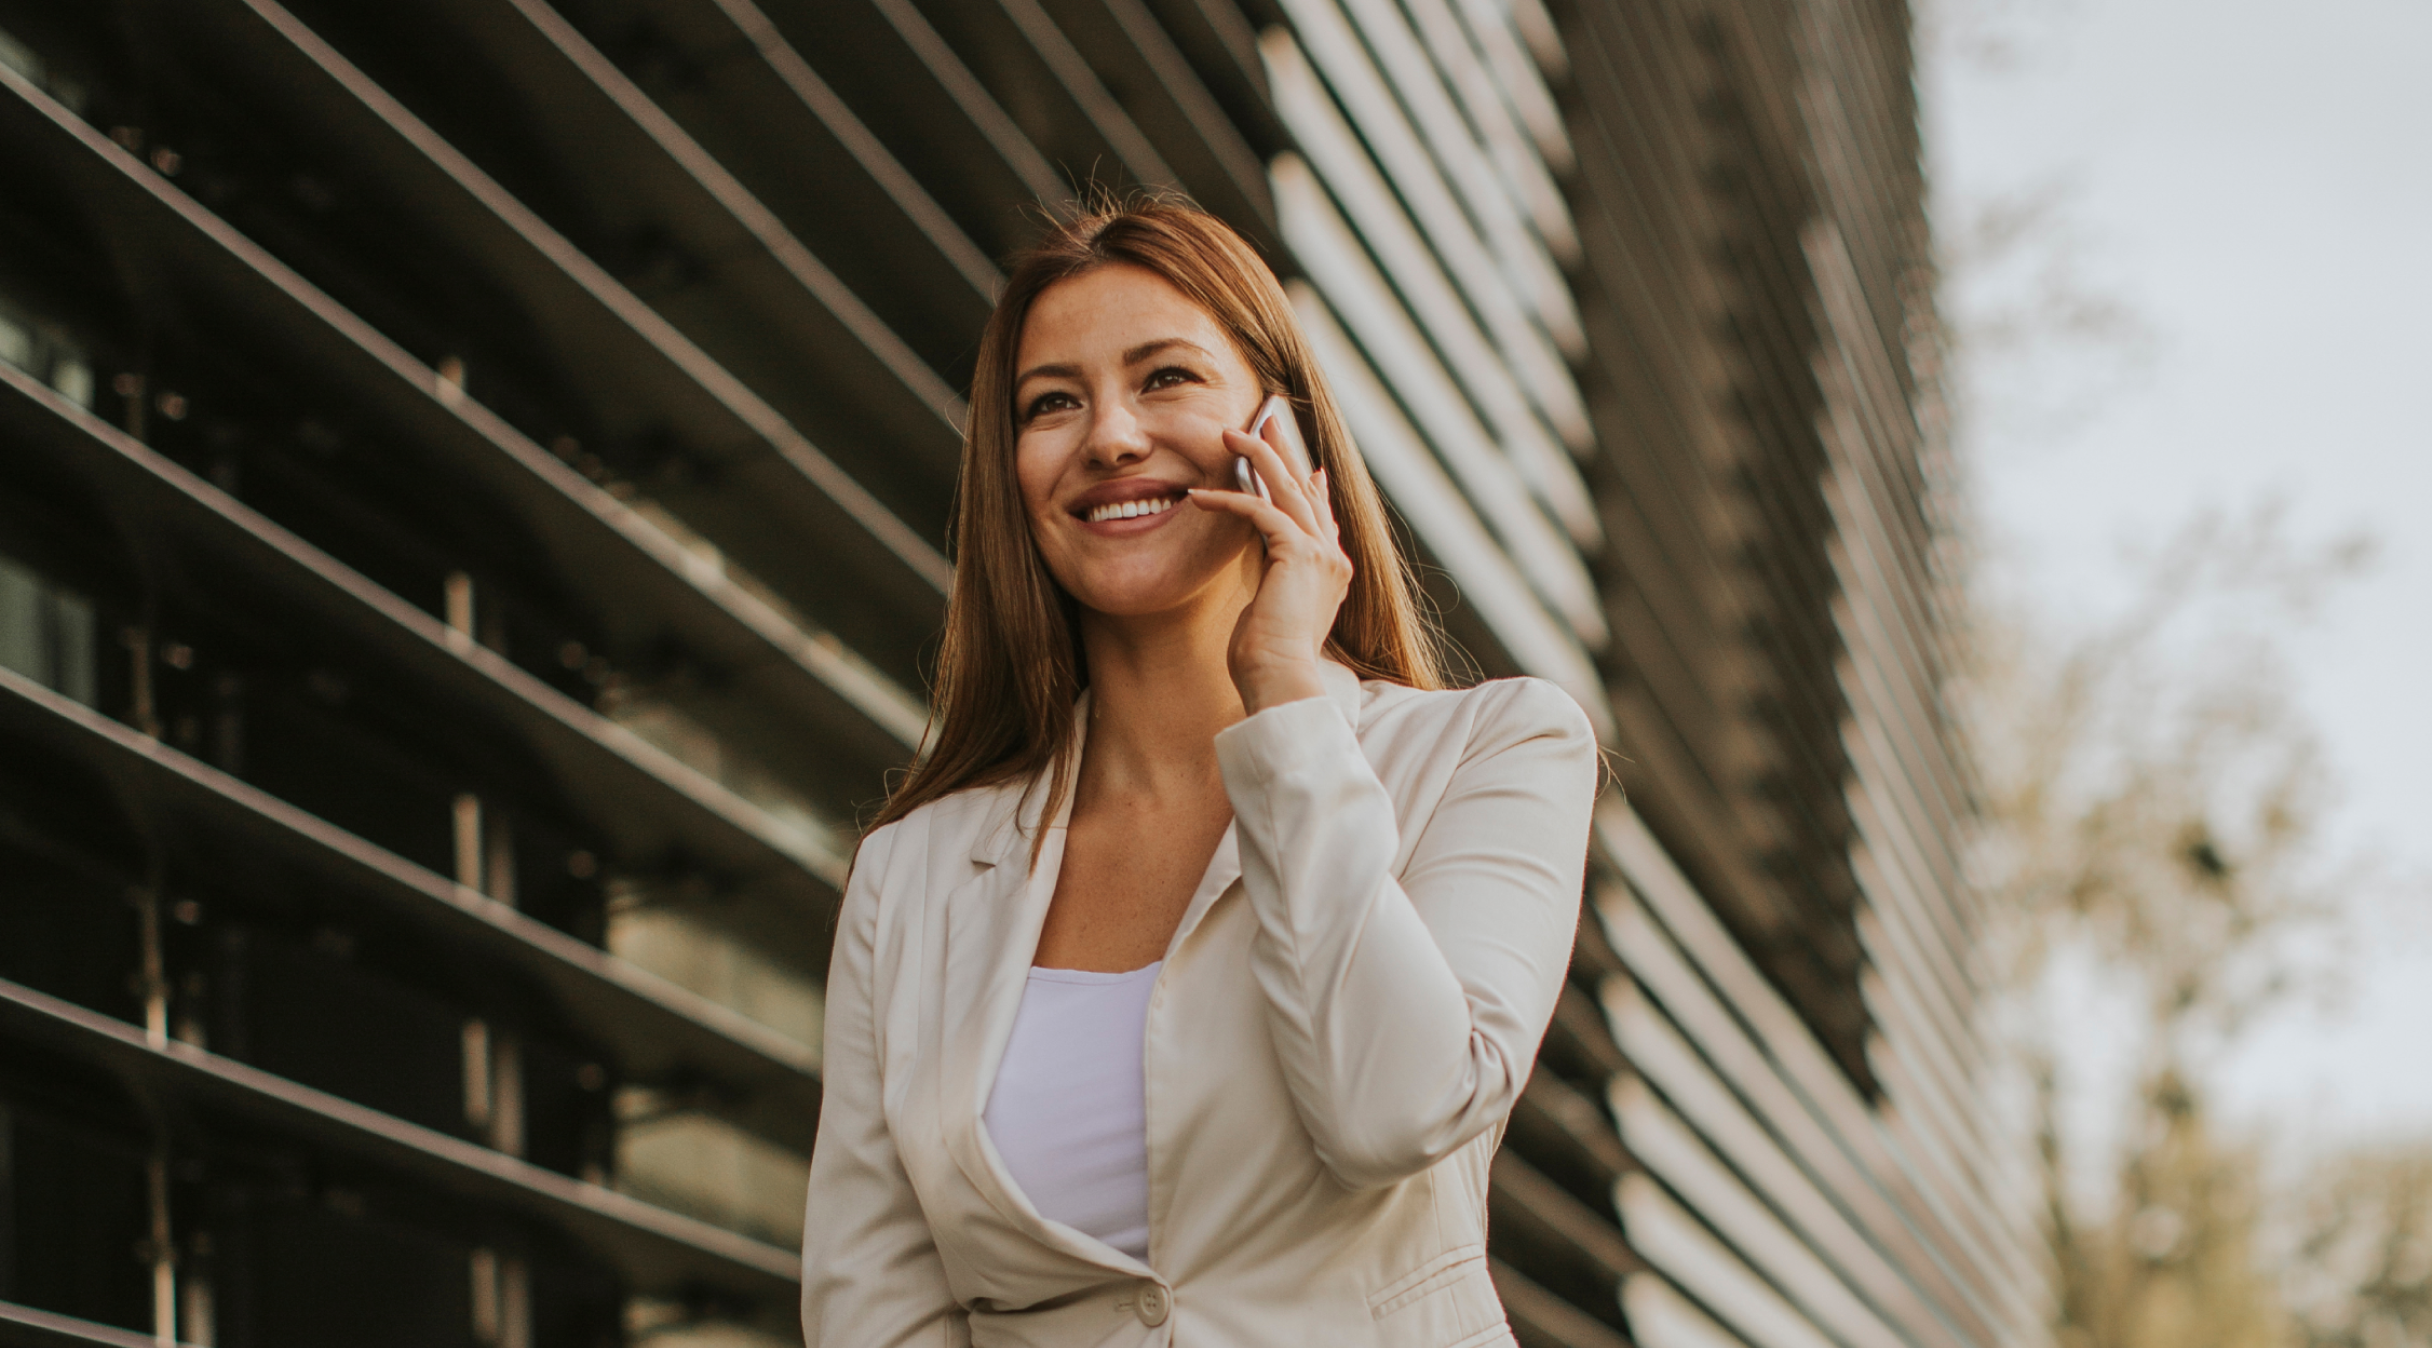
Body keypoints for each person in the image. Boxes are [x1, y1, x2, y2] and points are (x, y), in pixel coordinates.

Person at [800, 198, 1598, 1347]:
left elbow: (1392, 1112)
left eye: (1165, 378)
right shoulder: (909, 874)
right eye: (1051, 404)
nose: (1110, 437)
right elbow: (874, 1309)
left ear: (1280, 426)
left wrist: (1281, 689)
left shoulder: (1489, 751)